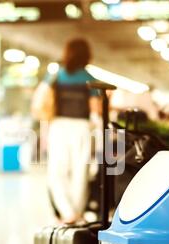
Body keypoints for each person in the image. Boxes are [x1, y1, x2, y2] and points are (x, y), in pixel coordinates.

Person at [44, 38, 101, 223]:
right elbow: (95, 111)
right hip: (81, 128)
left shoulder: (56, 75)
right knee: (80, 172)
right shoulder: (89, 78)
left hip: (58, 126)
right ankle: (76, 213)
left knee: (56, 171)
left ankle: (66, 211)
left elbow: (43, 101)